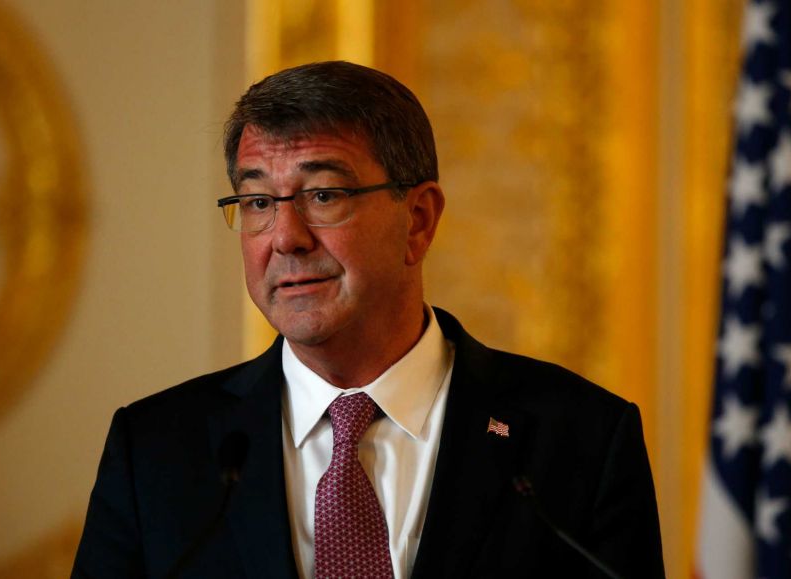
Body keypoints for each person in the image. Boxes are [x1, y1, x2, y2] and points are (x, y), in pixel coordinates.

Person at [72, 61, 664, 579]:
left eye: (324, 195)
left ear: (419, 220)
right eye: (257, 202)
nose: (285, 238)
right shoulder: (156, 449)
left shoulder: (580, 439)